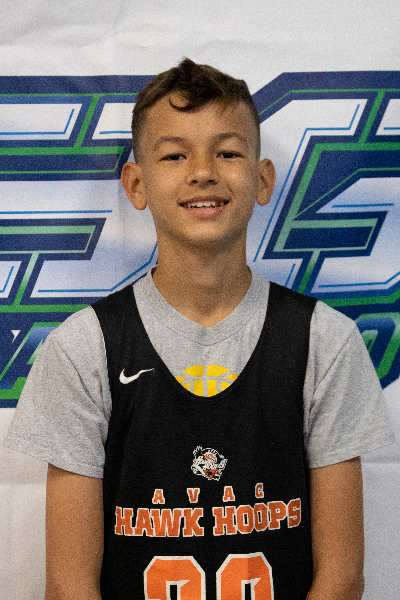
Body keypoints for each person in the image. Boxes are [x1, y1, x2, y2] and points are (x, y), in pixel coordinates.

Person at [5, 58, 394, 600]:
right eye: (174, 154)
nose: (203, 171)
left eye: (228, 152)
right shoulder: (82, 348)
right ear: (136, 183)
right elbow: (70, 586)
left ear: (263, 180)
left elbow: (342, 580)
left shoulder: (325, 341)